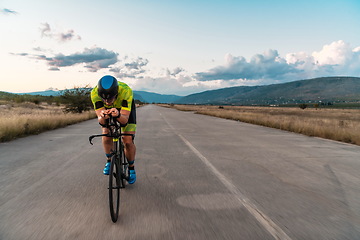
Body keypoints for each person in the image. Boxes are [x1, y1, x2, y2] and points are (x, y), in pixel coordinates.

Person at [90, 75, 137, 184]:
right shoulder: (94, 93)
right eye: (104, 99)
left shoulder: (126, 91)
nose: (106, 102)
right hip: (108, 112)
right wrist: (103, 117)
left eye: (110, 98)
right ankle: (109, 160)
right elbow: (101, 121)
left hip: (124, 111)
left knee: (127, 140)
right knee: (106, 133)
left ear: (116, 94)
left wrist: (118, 114)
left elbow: (124, 121)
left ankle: (131, 168)